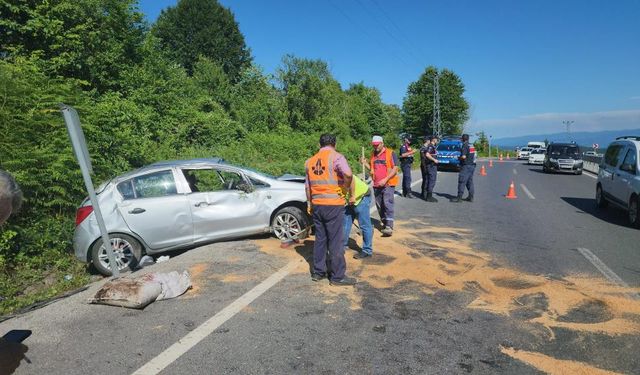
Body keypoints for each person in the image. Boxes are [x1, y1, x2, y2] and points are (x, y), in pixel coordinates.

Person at [305, 134, 356, 286]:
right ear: (335, 143)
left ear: (319, 143)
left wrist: (310, 204)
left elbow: (308, 187)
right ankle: (337, 276)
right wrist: (346, 188)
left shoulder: (310, 161)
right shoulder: (337, 157)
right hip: (333, 204)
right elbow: (348, 174)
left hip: (317, 204)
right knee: (335, 240)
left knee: (320, 239)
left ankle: (318, 272)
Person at [362, 135, 399, 237]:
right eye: (374, 145)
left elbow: (395, 169)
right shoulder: (373, 154)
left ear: (382, 143)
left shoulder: (390, 153)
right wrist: (365, 164)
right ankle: (384, 222)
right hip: (377, 184)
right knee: (379, 205)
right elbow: (372, 169)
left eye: (377, 145)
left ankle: (389, 227)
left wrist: (385, 179)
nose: (375, 147)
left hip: (388, 183)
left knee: (387, 203)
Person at [343, 174, 374, 259]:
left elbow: (351, 179)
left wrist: (352, 196)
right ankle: (341, 246)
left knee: (364, 225)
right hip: (349, 199)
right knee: (345, 223)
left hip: (361, 197)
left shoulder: (340, 171)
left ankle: (367, 251)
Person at [451, 134, 476, 202]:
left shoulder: (464, 145)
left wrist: (458, 158)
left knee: (462, 181)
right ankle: (471, 197)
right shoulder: (471, 145)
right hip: (472, 165)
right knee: (469, 181)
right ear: (468, 139)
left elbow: (464, 156)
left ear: (462, 139)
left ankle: (459, 198)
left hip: (466, 166)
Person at [420, 135, 439, 202]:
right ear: (434, 139)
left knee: (428, 180)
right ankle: (429, 196)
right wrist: (434, 160)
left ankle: (427, 195)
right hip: (431, 166)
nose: (437, 140)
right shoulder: (431, 146)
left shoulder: (432, 146)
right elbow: (427, 154)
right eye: (437, 139)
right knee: (432, 180)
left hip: (431, 166)